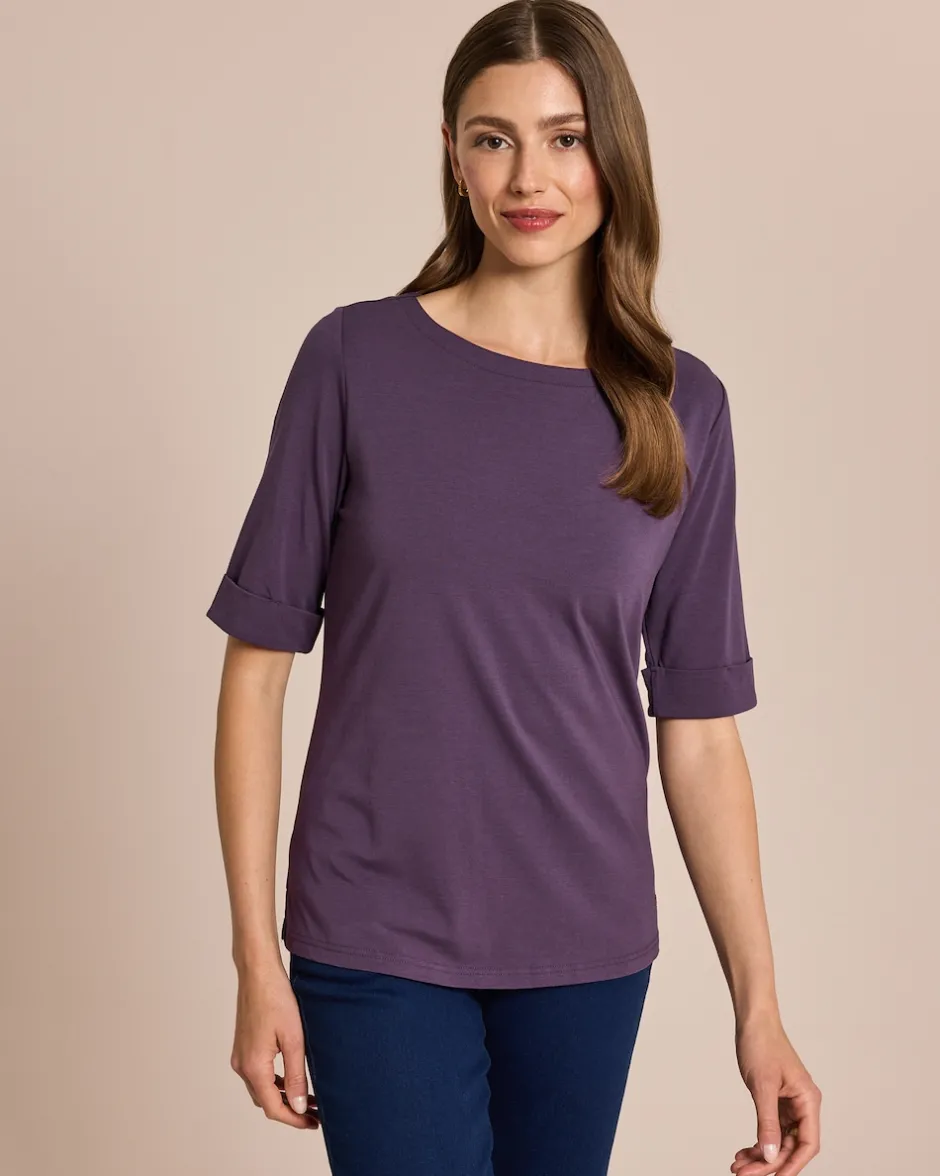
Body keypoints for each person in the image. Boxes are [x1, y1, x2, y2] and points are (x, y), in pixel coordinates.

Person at [206, 2, 822, 1173]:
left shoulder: (683, 407)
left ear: (612, 154)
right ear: (452, 154)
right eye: (493, 139)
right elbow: (256, 674)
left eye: (564, 138)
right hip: (374, 931)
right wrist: (253, 961)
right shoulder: (355, 361)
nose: (529, 177)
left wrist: (759, 1009)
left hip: (587, 949)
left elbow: (699, 730)